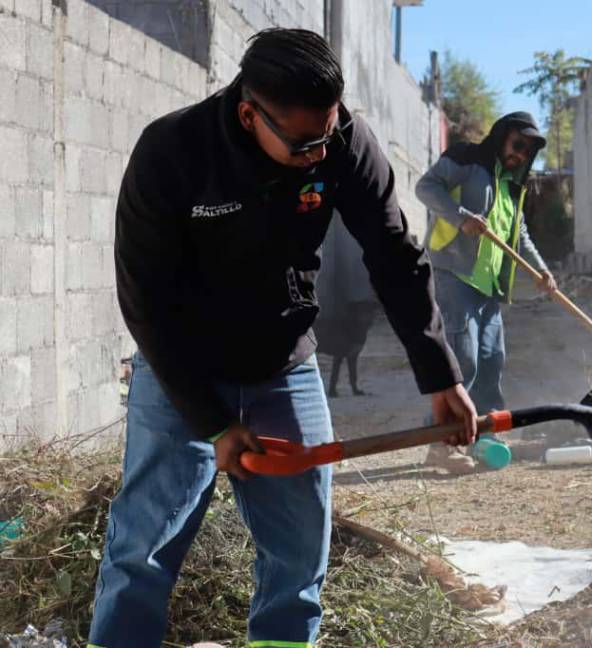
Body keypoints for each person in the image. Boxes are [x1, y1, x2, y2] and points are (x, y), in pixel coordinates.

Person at [88, 28, 476, 648]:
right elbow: (146, 304)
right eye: (302, 144)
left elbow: (395, 258)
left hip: (284, 367)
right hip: (182, 369)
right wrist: (214, 423)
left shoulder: (342, 141)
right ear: (249, 113)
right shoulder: (171, 153)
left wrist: (440, 375)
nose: (320, 154)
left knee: (298, 560)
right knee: (144, 550)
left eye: (328, 135)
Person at [415, 112, 556, 472]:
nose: (521, 154)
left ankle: (486, 432)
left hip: (488, 288)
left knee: (492, 361)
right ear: (502, 136)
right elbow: (426, 188)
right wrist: (461, 216)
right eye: (518, 144)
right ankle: (440, 442)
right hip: (454, 276)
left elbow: (518, 235)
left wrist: (541, 269)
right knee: (463, 361)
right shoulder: (466, 158)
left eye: (528, 151)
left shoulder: (511, 187)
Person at [313, 216, 379, 397]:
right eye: (365, 312)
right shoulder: (352, 330)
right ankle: (333, 389)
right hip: (323, 335)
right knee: (341, 357)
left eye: (369, 313)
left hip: (335, 332)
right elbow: (338, 360)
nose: (368, 317)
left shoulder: (359, 331)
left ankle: (351, 387)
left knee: (350, 358)